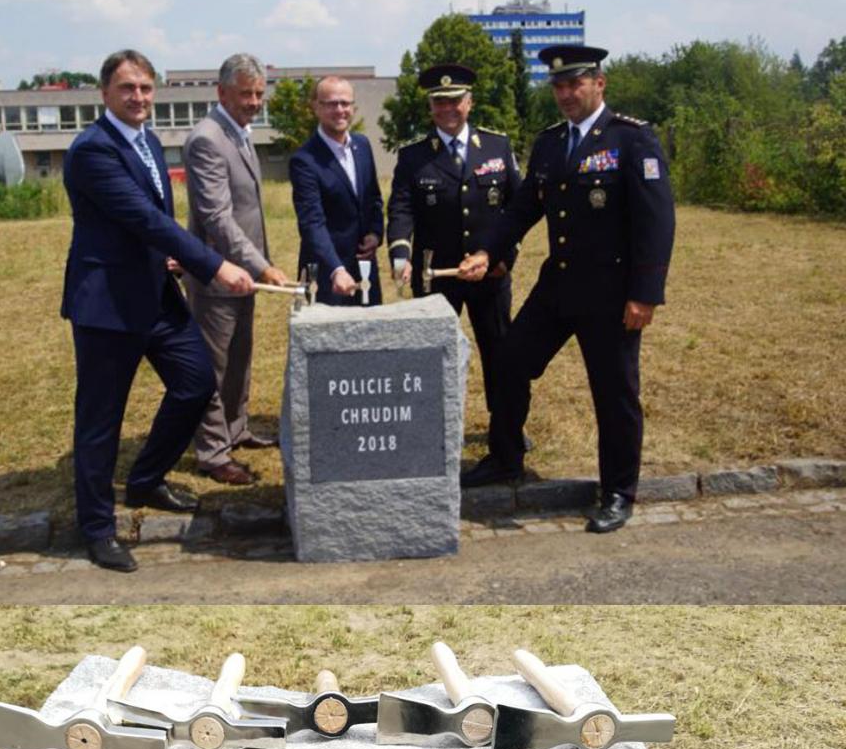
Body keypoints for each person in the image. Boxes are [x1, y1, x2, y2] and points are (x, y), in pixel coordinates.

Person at [459, 45, 676, 534]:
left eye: (575, 83)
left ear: (599, 83)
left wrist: (645, 293)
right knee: (510, 361)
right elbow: (522, 208)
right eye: (558, 85)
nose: (565, 94)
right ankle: (505, 458)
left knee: (614, 392)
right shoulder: (551, 143)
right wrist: (487, 251)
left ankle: (618, 491)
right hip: (557, 285)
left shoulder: (631, 138)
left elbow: (657, 220)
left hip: (611, 293)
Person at [61, 48, 254, 573]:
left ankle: (145, 481)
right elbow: (143, 217)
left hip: (156, 294)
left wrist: (171, 257)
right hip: (107, 306)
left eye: (146, 88)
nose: (139, 97)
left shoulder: (147, 139)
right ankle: (97, 529)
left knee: (196, 384)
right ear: (104, 93)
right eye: (127, 88)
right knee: (100, 420)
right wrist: (214, 265)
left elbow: (153, 220)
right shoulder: (92, 150)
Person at [386, 62, 521, 421]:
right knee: (431, 351)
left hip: (488, 271)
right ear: (430, 106)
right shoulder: (413, 155)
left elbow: (518, 207)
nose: (447, 108)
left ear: (469, 102)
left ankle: (505, 426)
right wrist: (400, 254)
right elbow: (401, 209)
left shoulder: (497, 145)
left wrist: (504, 257)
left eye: (455, 100)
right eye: (439, 102)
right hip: (435, 274)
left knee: (499, 350)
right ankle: (432, 424)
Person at [183, 53, 287, 486]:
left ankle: (235, 428)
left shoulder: (239, 133)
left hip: (242, 275)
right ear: (221, 92)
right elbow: (217, 218)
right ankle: (212, 452)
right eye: (246, 94)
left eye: (260, 93)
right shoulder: (207, 139)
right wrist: (262, 266)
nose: (254, 102)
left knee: (240, 358)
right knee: (214, 367)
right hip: (216, 276)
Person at [288, 75, 384, 306]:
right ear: (316, 107)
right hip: (327, 276)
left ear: (353, 107)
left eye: (345, 103)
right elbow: (312, 223)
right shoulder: (304, 160)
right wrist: (336, 269)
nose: (340, 110)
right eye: (331, 103)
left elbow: (374, 199)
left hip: (365, 271)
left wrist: (375, 233)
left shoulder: (363, 146)